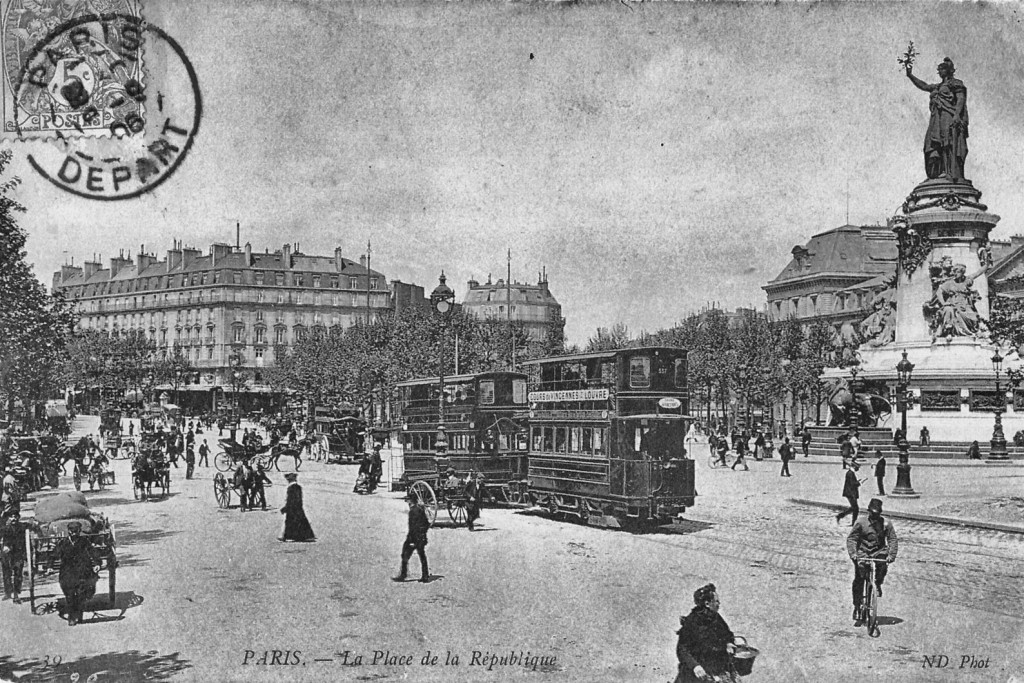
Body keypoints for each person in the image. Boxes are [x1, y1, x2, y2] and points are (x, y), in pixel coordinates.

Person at [906, 57, 969, 181]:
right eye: (938, 70)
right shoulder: (938, 86)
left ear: (948, 70)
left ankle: (949, 172)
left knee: (948, 143)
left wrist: (956, 115)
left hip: (948, 115)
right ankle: (940, 171)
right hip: (937, 119)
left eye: (942, 69)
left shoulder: (955, 83)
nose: (939, 72)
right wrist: (910, 75)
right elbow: (924, 85)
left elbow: (961, 99)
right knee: (934, 143)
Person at [847, 498, 898, 626]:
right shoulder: (860, 522)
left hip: (878, 550)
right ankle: (857, 606)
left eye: (877, 514)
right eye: (872, 513)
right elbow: (852, 539)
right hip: (862, 551)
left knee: (882, 566)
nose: (875, 516)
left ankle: (877, 584)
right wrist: (854, 554)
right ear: (869, 512)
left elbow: (892, 539)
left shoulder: (886, 524)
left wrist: (891, 555)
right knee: (859, 577)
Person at [674, 583, 739, 683]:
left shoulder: (715, 617)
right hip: (698, 670)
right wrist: (695, 666)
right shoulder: (691, 622)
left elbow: (727, 634)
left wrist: (729, 643)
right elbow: (682, 649)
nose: (719, 604)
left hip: (716, 665)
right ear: (707, 604)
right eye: (716, 601)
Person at [56, 521, 97, 626]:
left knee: (80, 594)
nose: (74, 533)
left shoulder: (84, 541)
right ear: (68, 531)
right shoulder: (63, 542)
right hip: (67, 572)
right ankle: (71, 617)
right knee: (69, 596)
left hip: (82, 571)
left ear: (79, 531)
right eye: (72, 531)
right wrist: (48, 567)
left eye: (76, 531)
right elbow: (54, 554)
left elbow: (92, 552)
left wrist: (97, 563)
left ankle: (79, 614)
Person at [393, 489, 429, 583]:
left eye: (408, 500)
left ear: (411, 501)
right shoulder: (420, 510)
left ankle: (403, 575)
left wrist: (413, 540)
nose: (407, 502)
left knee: (405, 554)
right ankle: (425, 576)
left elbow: (413, 527)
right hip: (421, 537)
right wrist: (423, 534)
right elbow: (427, 524)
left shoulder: (413, 511)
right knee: (422, 555)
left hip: (414, 538)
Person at [279, 472, 315, 541]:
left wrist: (286, 507)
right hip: (298, 507)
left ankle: (290, 537)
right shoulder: (298, 487)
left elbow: (290, 499)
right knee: (301, 521)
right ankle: (306, 536)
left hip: (292, 508)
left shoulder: (291, 488)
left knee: (291, 522)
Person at [1, 515, 26, 603]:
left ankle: (16, 594)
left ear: (18, 518)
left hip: (18, 554)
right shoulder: (4, 528)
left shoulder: (22, 527)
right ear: (8, 518)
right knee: (6, 574)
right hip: (7, 554)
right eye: (11, 517)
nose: (13, 518)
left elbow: (32, 526)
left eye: (15, 516)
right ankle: (8, 593)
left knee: (18, 573)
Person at [836, 461, 862, 526]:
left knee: (853, 507)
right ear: (854, 466)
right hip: (850, 493)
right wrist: (859, 483)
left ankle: (840, 516)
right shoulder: (850, 473)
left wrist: (857, 482)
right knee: (856, 508)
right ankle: (854, 523)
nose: (857, 469)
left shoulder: (850, 473)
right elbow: (852, 484)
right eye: (857, 467)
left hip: (850, 493)